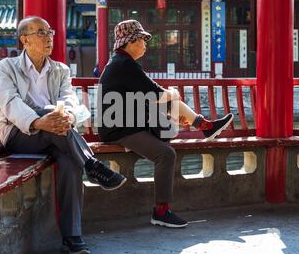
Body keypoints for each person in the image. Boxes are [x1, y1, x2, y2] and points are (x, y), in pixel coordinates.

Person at [0, 16, 126, 254]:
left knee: (69, 162)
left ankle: (72, 236)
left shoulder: (60, 70)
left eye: (50, 32)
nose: (49, 37)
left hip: (57, 134)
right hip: (20, 134)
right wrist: (38, 120)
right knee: (50, 114)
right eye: (41, 33)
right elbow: (10, 102)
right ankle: (93, 164)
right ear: (25, 40)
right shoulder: (6, 67)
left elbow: (69, 100)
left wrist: (66, 116)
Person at [98, 19, 233, 228]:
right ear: (130, 41)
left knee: (171, 104)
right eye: (142, 40)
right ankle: (161, 211)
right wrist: (172, 94)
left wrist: (170, 101)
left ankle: (204, 126)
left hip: (131, 121)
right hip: (119, 128)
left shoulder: (123, 62)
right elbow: (155, 93)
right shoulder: (124, 64)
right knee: (166, 153)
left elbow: (151, 92)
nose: (145, 44)